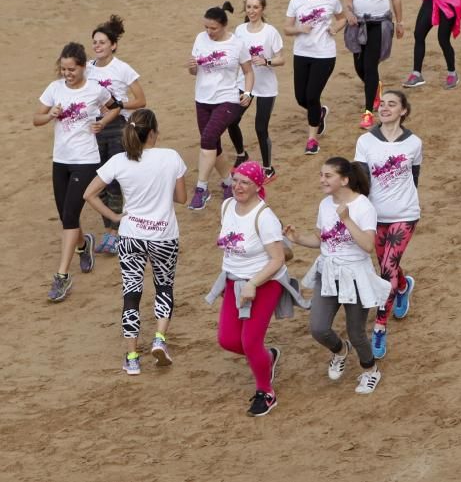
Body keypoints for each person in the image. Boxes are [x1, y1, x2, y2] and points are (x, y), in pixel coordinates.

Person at [83, 109, 187, 375]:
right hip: (164, 235)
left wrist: (115, 216)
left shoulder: (119, 160)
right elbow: (182, 197)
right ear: (152, 132)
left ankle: (131, 357)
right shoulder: (171, 157)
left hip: (131, 235)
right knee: (164, 286)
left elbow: (90, 194)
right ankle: (160, 340)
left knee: (131, 293)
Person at [205, 161, 304, 416]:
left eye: (245, 182)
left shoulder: (264, 216)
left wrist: (252, 283)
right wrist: (233, 280)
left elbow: (277, 259)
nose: (238, 186)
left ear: (258, 186)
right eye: (235, 180)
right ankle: (267, 358)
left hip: (265, 283)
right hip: (234, 281)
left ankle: (266, 392)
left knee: (250, 342)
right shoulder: (227, 206)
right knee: (227, 340)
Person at [285, 157, 388, 395]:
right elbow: (322, 240)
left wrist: (347, 219)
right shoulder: (324, 205)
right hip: (328, 272)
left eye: (328, 176)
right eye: (321, 175)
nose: (322, 180)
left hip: (355, 276)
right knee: (318, 328)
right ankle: (341, 351)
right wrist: (299, 239)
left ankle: (370, 370)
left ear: (344, 180)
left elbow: (368, 246)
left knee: (357, 332)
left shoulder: (364, 207)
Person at [34, 42, 119, 302]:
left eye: (71, 69)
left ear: (82, 67)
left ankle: (62, 276)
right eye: (63, 69)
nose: (67, 73)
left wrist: (102, 122)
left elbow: (115, 106)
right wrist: (50, 116)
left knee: (71, 214)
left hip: (85, 159)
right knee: (64, 215)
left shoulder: (95, 89)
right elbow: (36, 119)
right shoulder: (54, 88)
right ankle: (84, 245)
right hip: (60, 160)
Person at [354, 90, 421, 359]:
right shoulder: (365, 141)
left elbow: (414, 177)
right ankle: (403, 286)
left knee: (387, 270)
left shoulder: (415, 143)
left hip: (405, 214)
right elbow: (359, 180)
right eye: (382, 104)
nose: (385, 108)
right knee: (387, 267)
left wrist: (403, 202)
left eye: (392, 104)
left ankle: (380, 326)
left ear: (403, 111)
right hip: (374, 216)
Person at [88, 15, 146, 255]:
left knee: (112, 181)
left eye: (102, 42)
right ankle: (111, 227)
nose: (97, 46)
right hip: (91, 129)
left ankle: (114, 233)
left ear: (113, 45)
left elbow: (141, 100)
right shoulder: (88, 68)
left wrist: (118, 103)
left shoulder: (122, 68)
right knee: (98, 182)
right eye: (95, 42)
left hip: (116, 128)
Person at [187, 2, 254, 209]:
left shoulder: (237, 44)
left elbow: (248, 71)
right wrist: (191, 68)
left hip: (227, 98)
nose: (209, 32)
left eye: (213, 28)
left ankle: (201, 188)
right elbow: (194, 71)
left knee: (207, 139)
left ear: (224, 25)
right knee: (212, 144)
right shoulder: (200, 38)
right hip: (202, 98)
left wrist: (248, 93)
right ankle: (228, 183)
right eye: (206, 27)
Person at [284, 0, 346, 155]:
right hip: (301, 53)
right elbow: (287, 28)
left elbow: (342, 18)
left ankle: (312, 140)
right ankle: (319, 113)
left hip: (324, 54)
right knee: (300, 97)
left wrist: (335, 28)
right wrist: (299, 29)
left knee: (312, 96)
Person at [344, 0, 404, 129]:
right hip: (358, 24)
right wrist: (349, 12)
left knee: (370, 66)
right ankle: (376, 87)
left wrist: (400, 21)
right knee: (359, 67)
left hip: (379, 23)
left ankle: (368, 112)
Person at [230, 0, 285, 183]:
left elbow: (281, 59)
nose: (252, 11)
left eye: (256, 7)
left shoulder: (270, 32)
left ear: (262, 9)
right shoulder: (239, 30)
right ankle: (241, 153)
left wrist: (267, 61)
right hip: (244, 83)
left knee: (260, 128)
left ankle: (268, 168)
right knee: (231, 120)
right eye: (249, 7)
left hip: (266, 86)